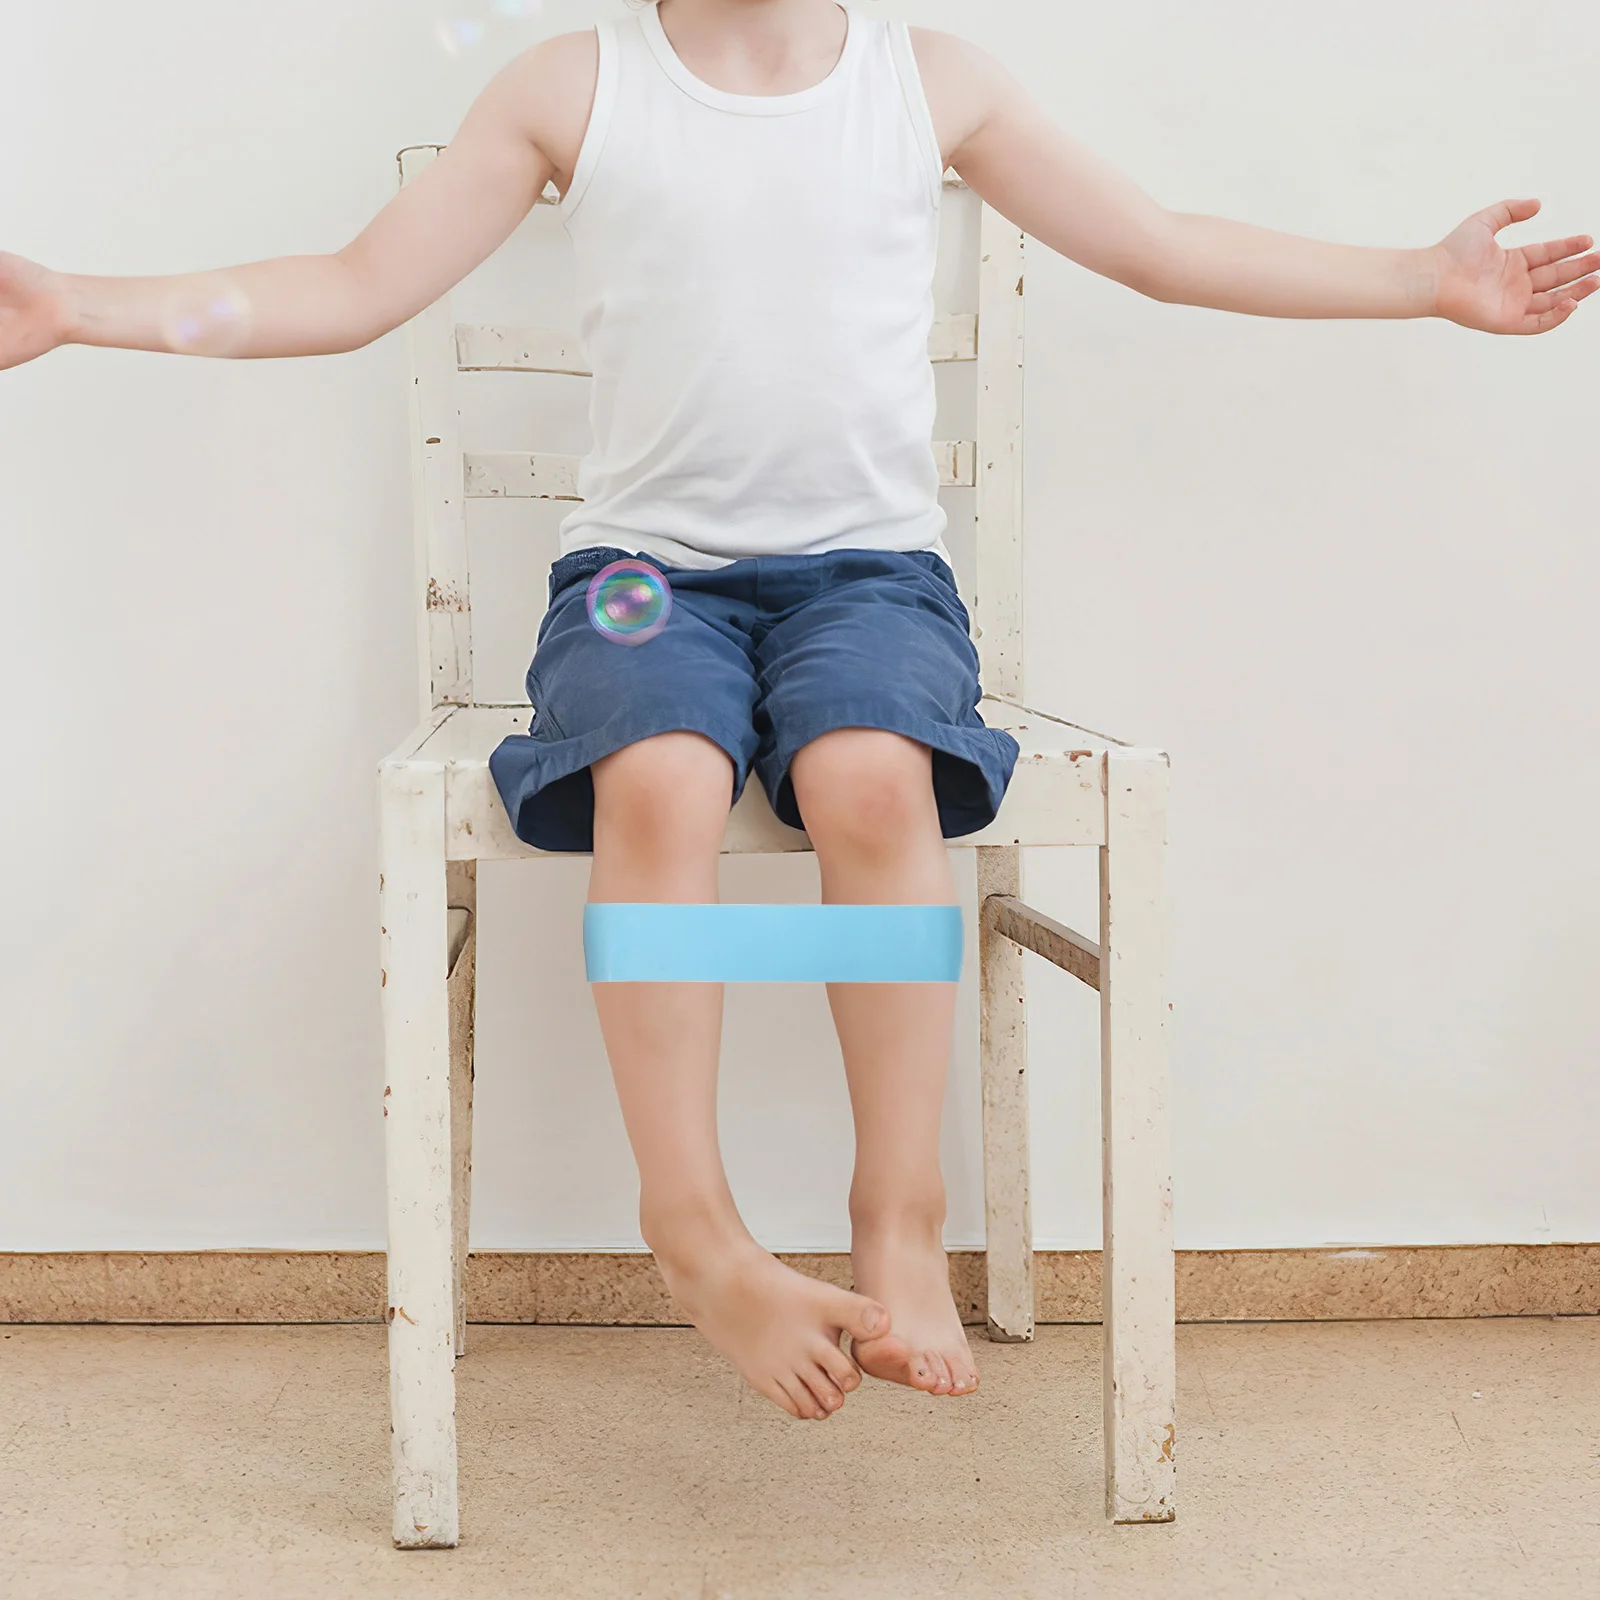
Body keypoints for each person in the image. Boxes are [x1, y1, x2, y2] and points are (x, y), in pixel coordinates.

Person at [2, 0, 1591, 1425]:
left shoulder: (931, 80)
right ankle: (693, 1227)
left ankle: (899, 1217)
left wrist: (1421, 281)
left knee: (871, 781)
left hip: (874, 582)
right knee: (666, 775)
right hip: (641, 581)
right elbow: (352, 287)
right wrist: (74, 300)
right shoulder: (573, 87)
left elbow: (1159, 244)